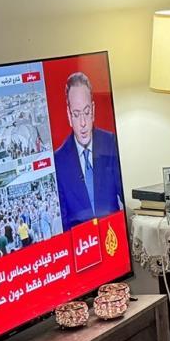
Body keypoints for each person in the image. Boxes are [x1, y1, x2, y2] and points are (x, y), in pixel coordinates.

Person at [53, 72, 123, 231]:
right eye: (76, 115)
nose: (83, 123)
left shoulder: (110, 143)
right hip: (80, 246)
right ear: (69, 116)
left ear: (93, 110)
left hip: (114, 236)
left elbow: (125, 197)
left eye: (86, 112)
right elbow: (64, 221)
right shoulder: (59, 161)